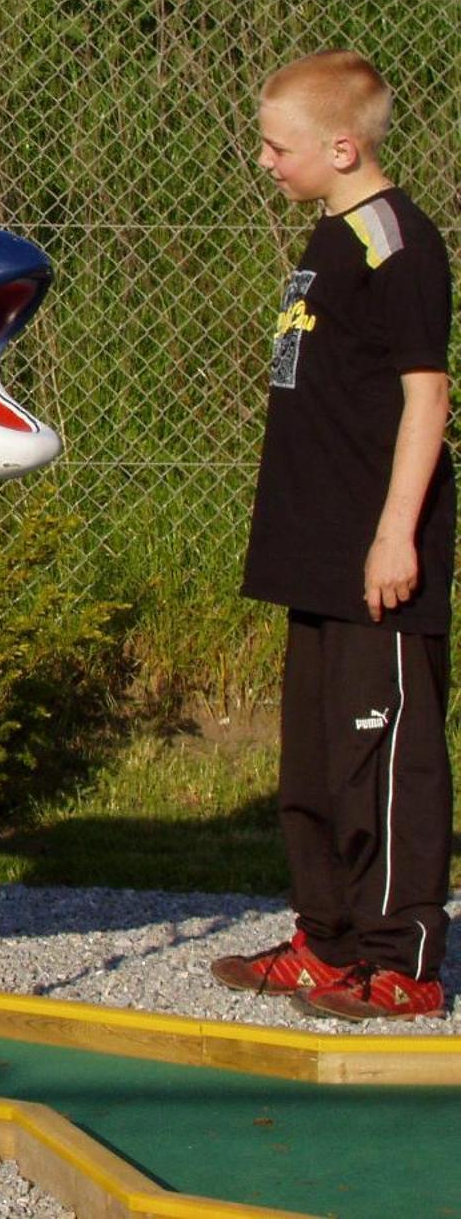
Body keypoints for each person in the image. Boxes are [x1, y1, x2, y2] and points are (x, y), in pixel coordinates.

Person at [213, 50, 454, 1019]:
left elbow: (425, 394)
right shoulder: (328, 234)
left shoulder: (397, 243)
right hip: (311, 558)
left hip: (374, 563)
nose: (264, 161)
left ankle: (400, 959)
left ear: (341, 146)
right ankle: (326, 939)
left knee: (381, 763)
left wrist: (394, 534)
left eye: (278, 146)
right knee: (311, 767)